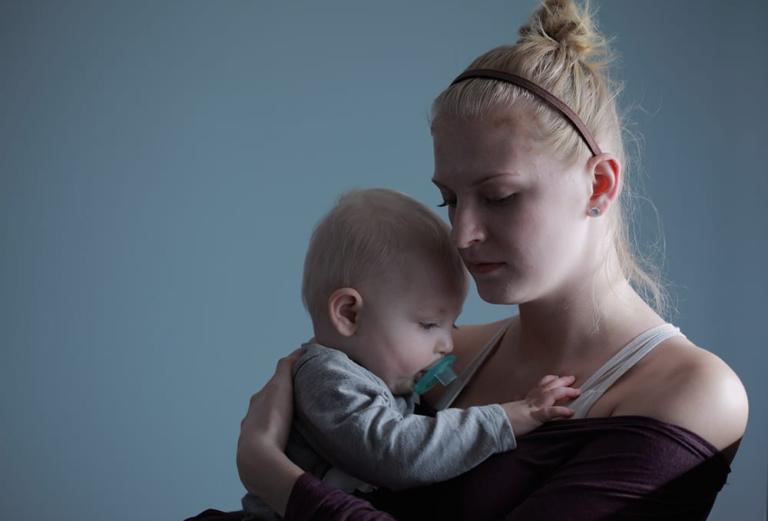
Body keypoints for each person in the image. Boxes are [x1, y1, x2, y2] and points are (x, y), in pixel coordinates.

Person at [192, 0, 749, 519]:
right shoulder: (437, 353)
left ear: (599, 184)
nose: (462, 234)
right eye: (450, 200)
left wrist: (276, 478)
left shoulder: (692, 392)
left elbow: (300, 474)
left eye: (500, 197)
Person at [240, 188, 580, 520]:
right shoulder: (328, 379)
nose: (447, 344)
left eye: (452, 325)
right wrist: (508, 417)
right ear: (349, 314)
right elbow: (398, 452)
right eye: (429, 324)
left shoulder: (380, 378)